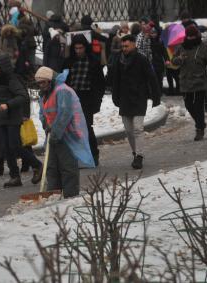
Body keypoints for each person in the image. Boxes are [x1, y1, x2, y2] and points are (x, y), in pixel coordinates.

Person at [35, 67, 95, 198]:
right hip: (53, 134)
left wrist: (55, 133)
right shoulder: (44, 94)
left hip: (68, 135)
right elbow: (43, 113)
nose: (41, 86)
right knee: (51, 168)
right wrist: (47, 126)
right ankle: (53, 195)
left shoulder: (63, 91)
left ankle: (70, 196)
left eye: (43, 82)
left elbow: (65, 114)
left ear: (50, 80)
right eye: (39, 83)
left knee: (67, 167)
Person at [0, 54, 43, 187]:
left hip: (13, 118)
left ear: (2, 66)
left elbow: (23, 96)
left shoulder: (12, 79)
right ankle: (15, 177)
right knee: (7, 149)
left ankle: (38, 165)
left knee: (15, 146)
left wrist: (8, 105)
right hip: (1, 119)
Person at [111, 35, 161, 169]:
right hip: (124, 99)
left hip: (139, 98)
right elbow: (116, 79)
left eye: (126, 46)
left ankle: (139, 156)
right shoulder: (119, 60)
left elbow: (152, 78)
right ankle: (135, 152)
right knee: (128, 130)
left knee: (138, 129)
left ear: (134, 45)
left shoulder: (142, 59)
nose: (124, 48)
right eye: (122, 46)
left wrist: (156, 97)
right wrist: (115, 97)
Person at [172, 25, 207, 141]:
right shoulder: (181, 47)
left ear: (196, 36)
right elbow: (173, 62)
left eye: (192, 36)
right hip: (185, 82)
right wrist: (179, 59)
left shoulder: (204, 47)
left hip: (199, 82)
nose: (190, 39)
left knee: (198, 107)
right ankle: (201, 123)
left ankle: (199, 129)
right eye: (188, 36)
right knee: (189, 105)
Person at [63, 34, 106, 166]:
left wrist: (97, 100)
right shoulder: (69, 62)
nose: (78, 51)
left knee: (87, 127)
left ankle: (94, 154)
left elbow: (100, 82)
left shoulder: (93, 61)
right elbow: (63, 80)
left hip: (87, 98)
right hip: (72, 98)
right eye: (76, 48)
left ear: (85, 47)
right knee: (73, 129)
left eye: (81, 48)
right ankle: (78, 156)